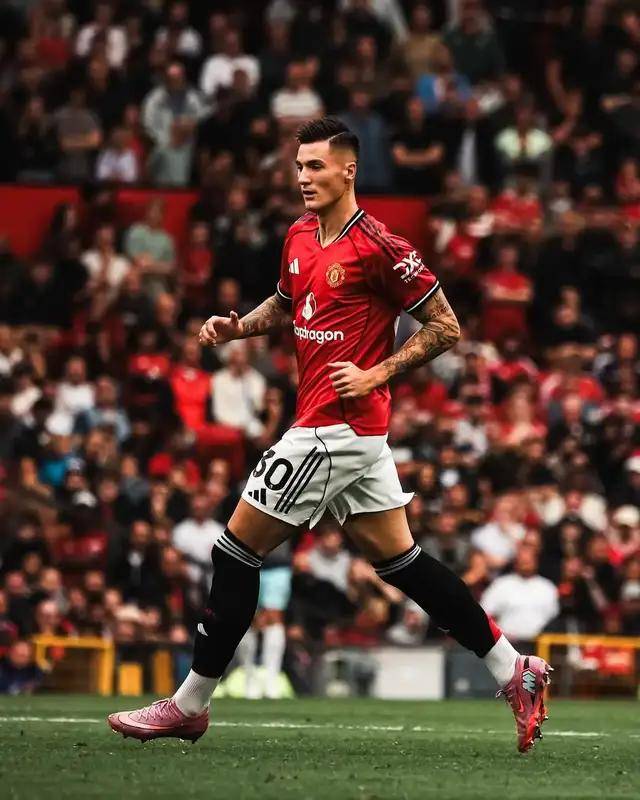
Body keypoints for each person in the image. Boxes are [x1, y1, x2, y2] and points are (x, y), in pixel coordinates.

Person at [108, 117, 551, 753]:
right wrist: (240, 328)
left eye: (315, 166)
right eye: (299, 166)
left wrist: (377, 372)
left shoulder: (381, 246)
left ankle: (189, 705)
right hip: (339, 428)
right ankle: (515, 669)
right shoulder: (299, 234)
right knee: (402, 563)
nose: (303, 177)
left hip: (336, 428)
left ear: (349, 170)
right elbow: (288, 302)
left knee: (234, 551)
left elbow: (446, 326)